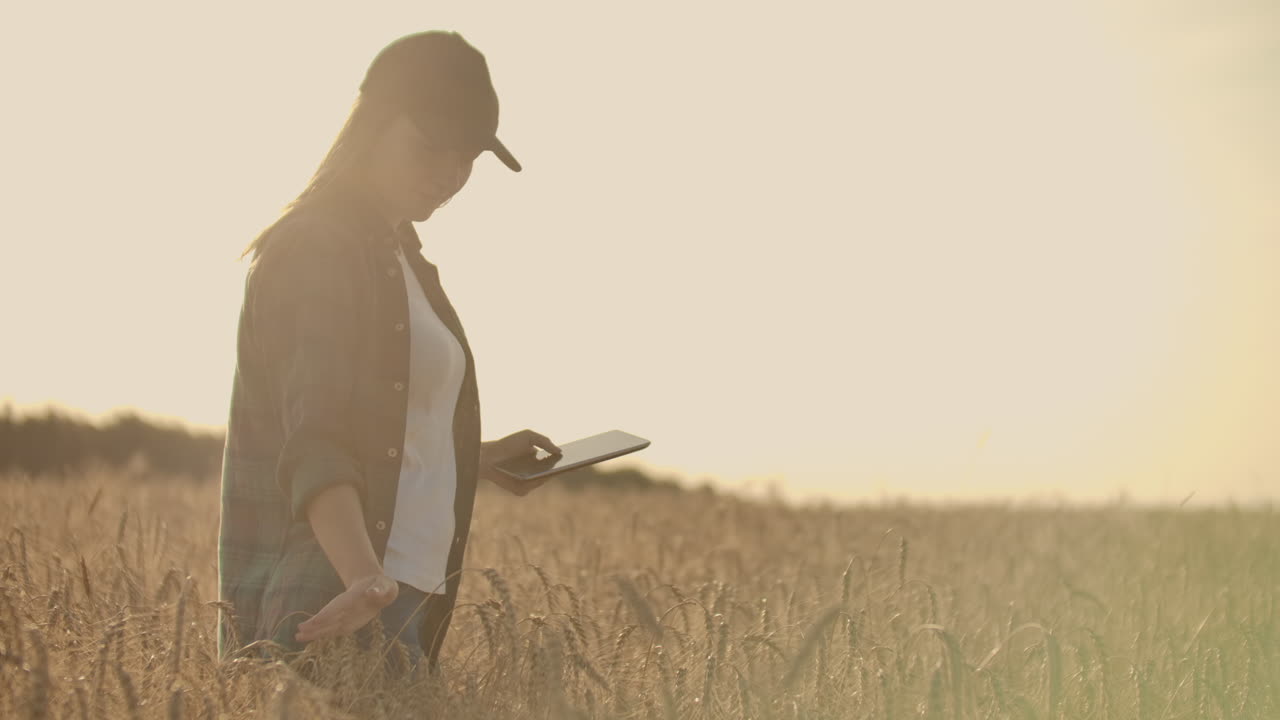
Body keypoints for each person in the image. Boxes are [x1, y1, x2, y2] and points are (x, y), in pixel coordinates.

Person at [217, 30, 562, 672]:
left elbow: (378, 427)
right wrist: (364, 579)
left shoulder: (398, 252)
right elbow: (315, 437)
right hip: (340, 598)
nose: (450, 176)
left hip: (401, 590)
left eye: (468, 158)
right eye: (430, 148)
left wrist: (473, 458)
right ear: (373, 124)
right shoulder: (318, 245)